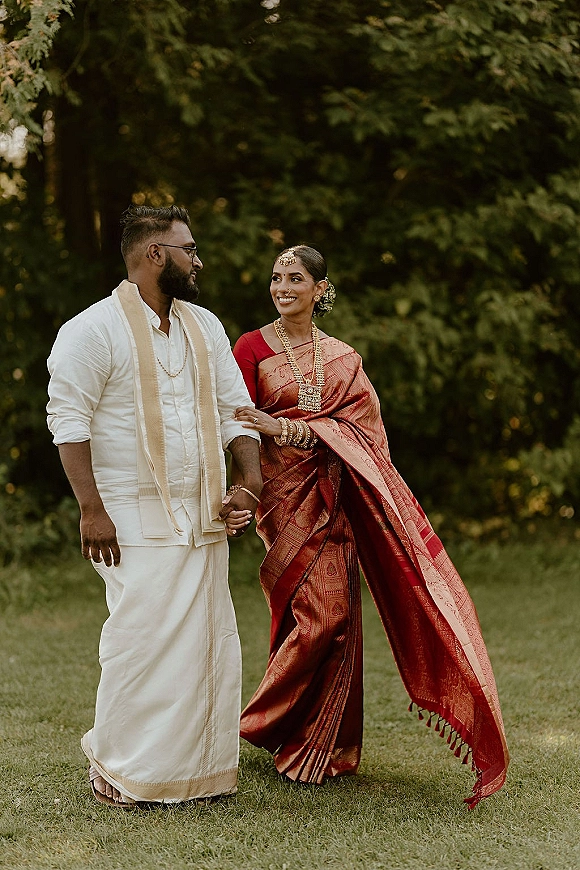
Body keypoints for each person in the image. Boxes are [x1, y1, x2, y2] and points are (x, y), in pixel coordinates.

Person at [231, 245, 509, 808]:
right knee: (308, 616)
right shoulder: (251, 347)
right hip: (283, 501)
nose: (282, 287)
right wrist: (246, 479)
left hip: (337, 496)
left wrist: (285, 428)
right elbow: (235, 424)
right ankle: (258, 725)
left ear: (320, 289)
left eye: (296, 278)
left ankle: (315, 744)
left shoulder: (343, 357)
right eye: (276, 277)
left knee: (332, 616)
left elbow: (366, 437)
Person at [46, 205, 262, 808]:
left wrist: (249, 483)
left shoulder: (206, 327)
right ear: (154, 256)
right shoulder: (90, 330)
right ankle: (119, 769)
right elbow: (69, 422)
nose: (199, 260)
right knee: (138, 641)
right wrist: (91, 509)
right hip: (125, 517)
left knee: (207, 640)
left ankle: (198, 774)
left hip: (203, 515)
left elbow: (234, 411)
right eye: (188, 249)